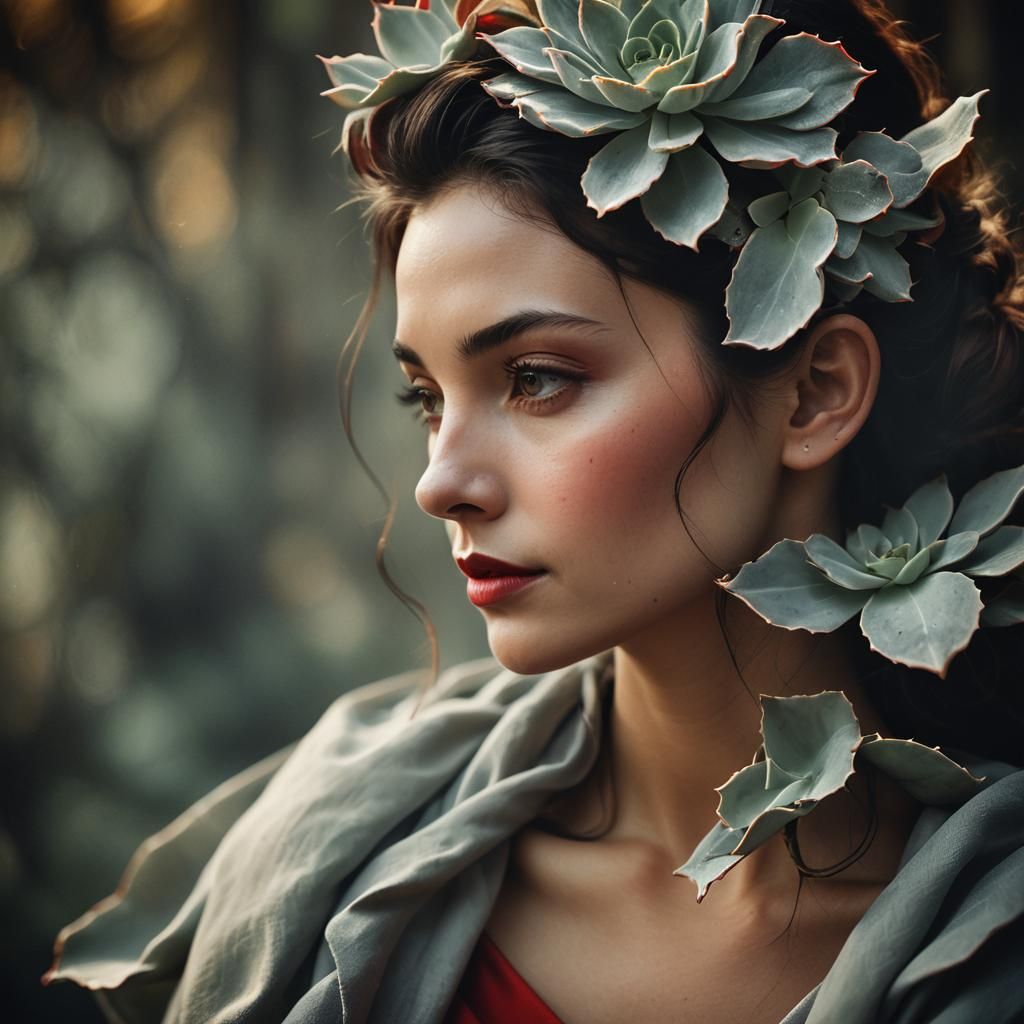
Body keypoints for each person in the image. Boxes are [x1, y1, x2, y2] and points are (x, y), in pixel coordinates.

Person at [44, 2, 1024, 1022]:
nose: (437, 481)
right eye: (425, 396)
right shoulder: (337, 850)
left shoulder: (986, 948)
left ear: (814, 390)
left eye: (538, 378)